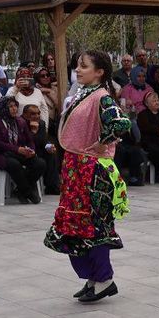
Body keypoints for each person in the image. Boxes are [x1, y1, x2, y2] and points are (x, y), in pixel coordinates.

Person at [44, 50, 130, 302]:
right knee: (77, 225)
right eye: (77, 66)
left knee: (94, 224)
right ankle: (93, 278)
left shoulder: (102, 97)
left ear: (99, 72)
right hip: (75, 167)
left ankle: (104, 279)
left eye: (83, 66)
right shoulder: (83, 94)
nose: (78, 70)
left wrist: (102, 142)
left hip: (91, 169)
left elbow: (120, 123)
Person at [0, 97, 45, 203]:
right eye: (10, 106)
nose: (14, 109)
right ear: (3, 108)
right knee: (14, 164)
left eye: (15, 106)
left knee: (40, 163)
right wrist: (17, 149)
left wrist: (31, 151)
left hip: (18, 152)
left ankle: (20, 191)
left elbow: (29, 140)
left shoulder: (20, 121)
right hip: (0, 154)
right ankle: (28, 193)